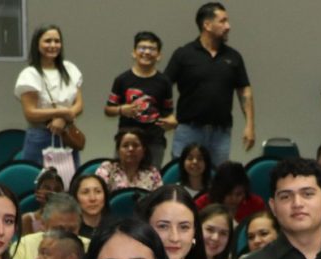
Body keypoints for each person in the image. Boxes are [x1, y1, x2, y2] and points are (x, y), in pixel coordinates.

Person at [163, 4, 255, 160]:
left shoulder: (233, 57)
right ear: (207, 25)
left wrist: (250, 126)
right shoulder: (184, 54)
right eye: (223, 21)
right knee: (182, 179)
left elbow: (244, 91)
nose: (228, 26)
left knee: (219, 180)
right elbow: (163, 86)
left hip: (221, 134)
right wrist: (166, 114)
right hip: (188, 131)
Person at [14, 25, 86, 165]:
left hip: (67, 134)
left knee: (69, 181)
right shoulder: (30, 74)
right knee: (38, 181)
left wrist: (63, 119)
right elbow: (30, 113)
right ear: (37, 44)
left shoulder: (70, 69)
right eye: (47, 41)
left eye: (57, 41)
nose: (53, 45)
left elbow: (79, 104)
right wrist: (62, 112)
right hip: (40, 135)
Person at [106, 31, 176, 141]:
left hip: (155, 140)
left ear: (159, 56)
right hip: (126, 139)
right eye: (142, 48)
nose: (147, 52)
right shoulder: (122, 79)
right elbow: (108, 110)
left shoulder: (165, 81)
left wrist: (173, 122)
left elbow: (168, 112)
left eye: (152, 49)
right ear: (134, 53)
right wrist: (121, 110)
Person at [96, 127, 166, 193]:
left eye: (135, 145)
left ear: (144, 150)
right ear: (118, 150)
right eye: (125, 145)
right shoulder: (107, 168)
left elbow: (159, 201)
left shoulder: (152, 173)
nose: (130, 149)